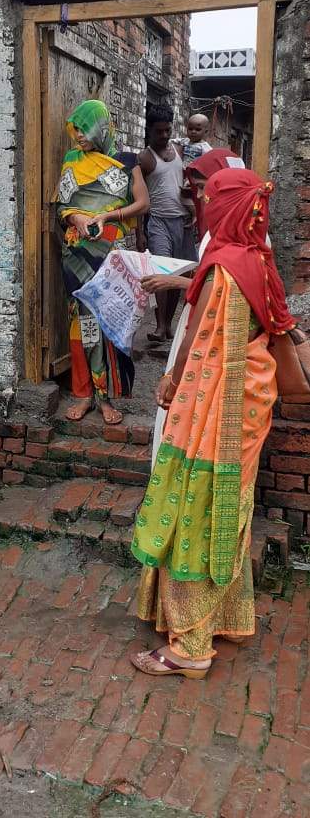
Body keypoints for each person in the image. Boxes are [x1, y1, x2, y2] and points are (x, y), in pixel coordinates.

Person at [130, 168, 295, 677]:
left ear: (223, 209)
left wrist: (171, 383)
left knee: (195, 505)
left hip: (211, 404)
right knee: (227, 506)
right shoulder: (260, 263)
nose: (202, 204)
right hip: (249, 403)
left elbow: (194, 342)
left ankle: (191, 646)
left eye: (209, 199)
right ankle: (220, 615)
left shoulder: (222, 267)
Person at [141, 149, 248, 470]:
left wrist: (174, 284)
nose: (198, 195)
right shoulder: (221, 226)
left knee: (190, 396)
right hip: (200, 315)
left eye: (204, 187)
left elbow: (223, 291)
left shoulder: (243, 234)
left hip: (213, 326)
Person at [57, 100, 149, 425]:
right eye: (76, 130)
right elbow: (62, 207)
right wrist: (77, 217)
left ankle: (106, 396)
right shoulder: (72, 160)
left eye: (84, 129)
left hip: (110, 257)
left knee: (109, 321)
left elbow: (143, 203)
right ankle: (84, 395)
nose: (79, 136)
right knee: (82, 325)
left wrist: (109, 214)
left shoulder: (126, 161)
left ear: (100, 126)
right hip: (77, 255)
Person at [138, 105, 197, 344]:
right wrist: (139, 233)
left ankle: (169, 324)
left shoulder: (180, 150)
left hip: (183, 223)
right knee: (162, 272)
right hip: (159, 222)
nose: (163, 135)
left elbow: (191, 181)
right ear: (149, 130)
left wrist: (194, 212)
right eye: (158, 131)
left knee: (179, 274)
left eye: (167, 130)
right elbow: (138, 197)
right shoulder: (144, 158)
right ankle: (160, 326)